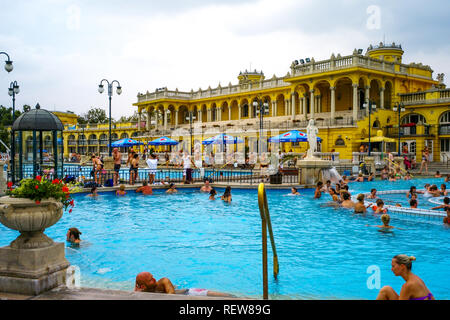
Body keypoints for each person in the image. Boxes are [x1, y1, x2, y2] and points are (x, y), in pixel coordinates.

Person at [134, 272, 232, 297]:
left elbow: (171, 296)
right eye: (151, 280)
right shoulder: (142, 289)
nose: (154, 279)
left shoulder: (163, 281)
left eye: (153, 277)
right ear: (142, 286)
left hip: (188, 292)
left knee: (224, 296)